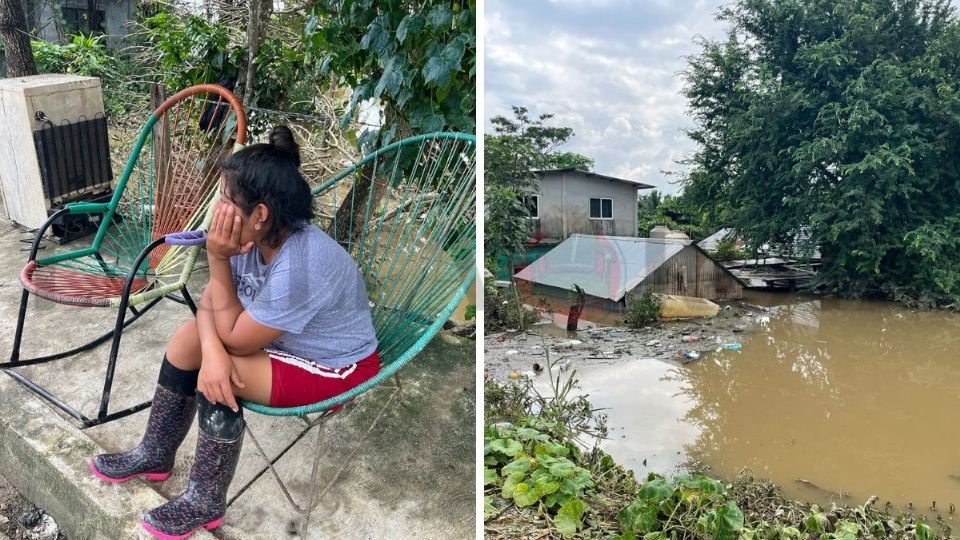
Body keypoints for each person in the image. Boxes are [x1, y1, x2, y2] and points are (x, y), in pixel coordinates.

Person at [88, 126, 380, 539]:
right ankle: (155, 453)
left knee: (227, 376)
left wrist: (215, 262)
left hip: (334, 366)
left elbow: (237, 339)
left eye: (225, 199)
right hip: (279, 344)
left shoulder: (305, 264)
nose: (217, 209)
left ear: (259, 214)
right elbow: (211, 301)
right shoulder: (252, 238)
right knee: (188, 340)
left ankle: (206, 499)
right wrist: (210, 348)